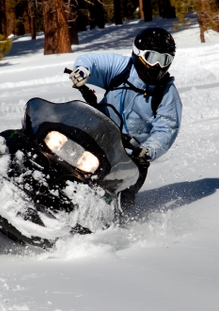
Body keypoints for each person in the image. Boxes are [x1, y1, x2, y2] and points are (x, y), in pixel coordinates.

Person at [68, 27, 182, 208]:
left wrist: (148, 150)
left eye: (164, 59)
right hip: (97, 138)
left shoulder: (166, 93)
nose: (157, 66)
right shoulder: (122, 68)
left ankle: (119, 229)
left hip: (130, 158)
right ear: (138, 54)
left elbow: (167, 129)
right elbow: (93, 61)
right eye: (152, 58)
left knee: (120, 204)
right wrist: (83, 70)